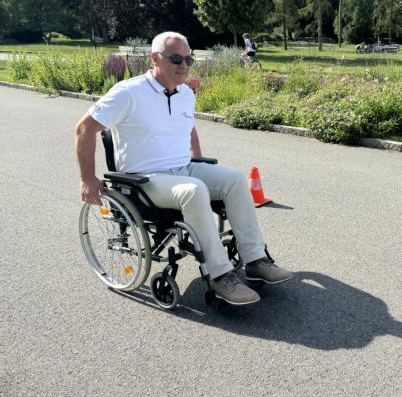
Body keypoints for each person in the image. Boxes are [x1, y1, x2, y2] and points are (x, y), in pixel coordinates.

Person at [75, 31, 292, 306]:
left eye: (189, 59)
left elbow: (189, 130)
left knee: (235, 180)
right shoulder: (128, 93)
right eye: (176, 59)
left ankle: (255, 259)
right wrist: (87, 179)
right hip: (145, 179)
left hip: (184, 169)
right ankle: (220, 275)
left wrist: (198, 162)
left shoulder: (185, 93)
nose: (184, 66)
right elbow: (84, 128)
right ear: (155, 59)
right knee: (194, 190)